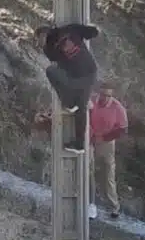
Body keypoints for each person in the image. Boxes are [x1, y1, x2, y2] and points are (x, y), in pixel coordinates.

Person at [34, 23, 99, 153]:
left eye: (42, 36)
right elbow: (54, 60)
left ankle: (79, 143)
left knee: (81, 108)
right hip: (78, 77)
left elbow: (92, 32)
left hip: (86, 75)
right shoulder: (51, 47)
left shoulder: (68, 30)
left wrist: (93, 30)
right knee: (52, 71)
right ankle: (69, 105)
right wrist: (44, 46)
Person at [86, 83, 126, 219]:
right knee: (88, 170)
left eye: (109, 95)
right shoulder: (91, 101)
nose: (105, 98)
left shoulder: (117, 107)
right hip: (90, 139)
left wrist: (105, 137)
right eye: (103, 94)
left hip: (107, 142)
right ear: (99, 93)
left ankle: (114, 207)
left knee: (108, 174)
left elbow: (122, 129)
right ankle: (90, 203)